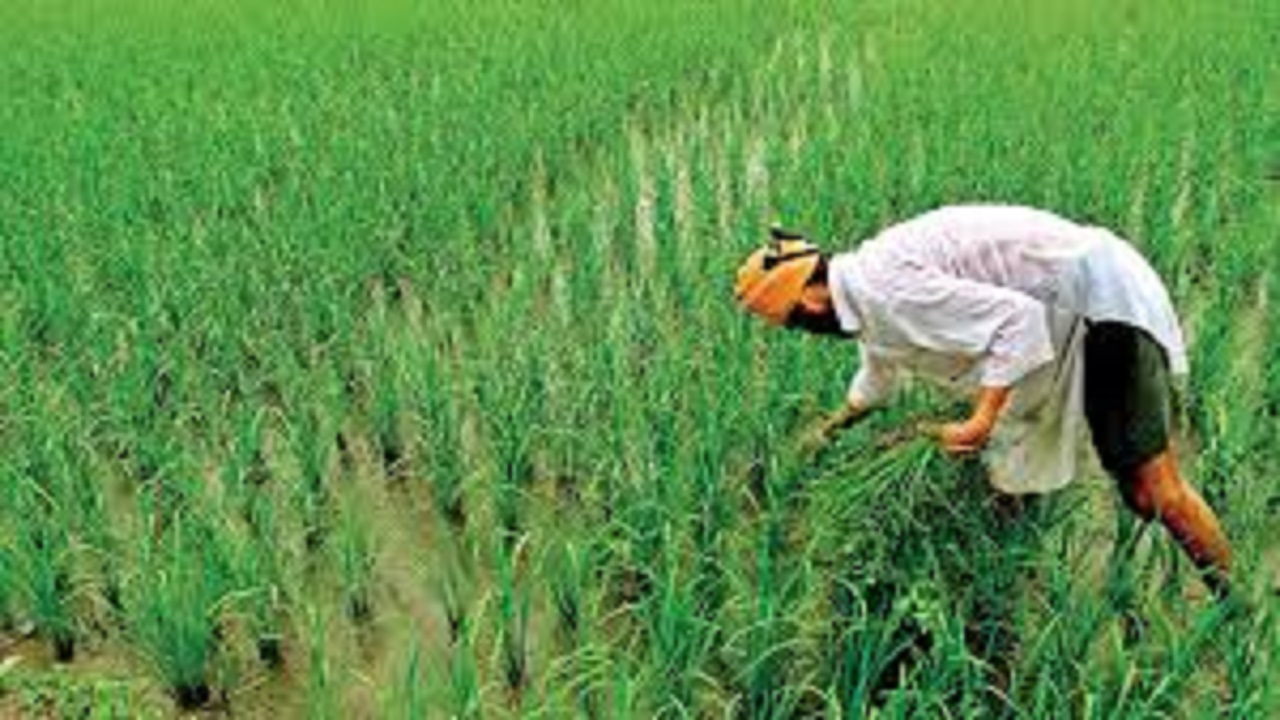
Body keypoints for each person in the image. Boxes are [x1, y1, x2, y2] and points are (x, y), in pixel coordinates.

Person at [734, 204, 1232, 597]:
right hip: (1063, 305)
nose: (805, 332)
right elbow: (876, 377)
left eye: (795, 321)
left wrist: (979, 418)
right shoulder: (863, 294)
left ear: (810, 298)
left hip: (1102, 299)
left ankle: (1232, 607)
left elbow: (1017, 323)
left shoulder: (885, 291)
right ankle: (1006, 555)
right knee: (1014, 458)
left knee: (1152, 492)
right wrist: (831, 428)